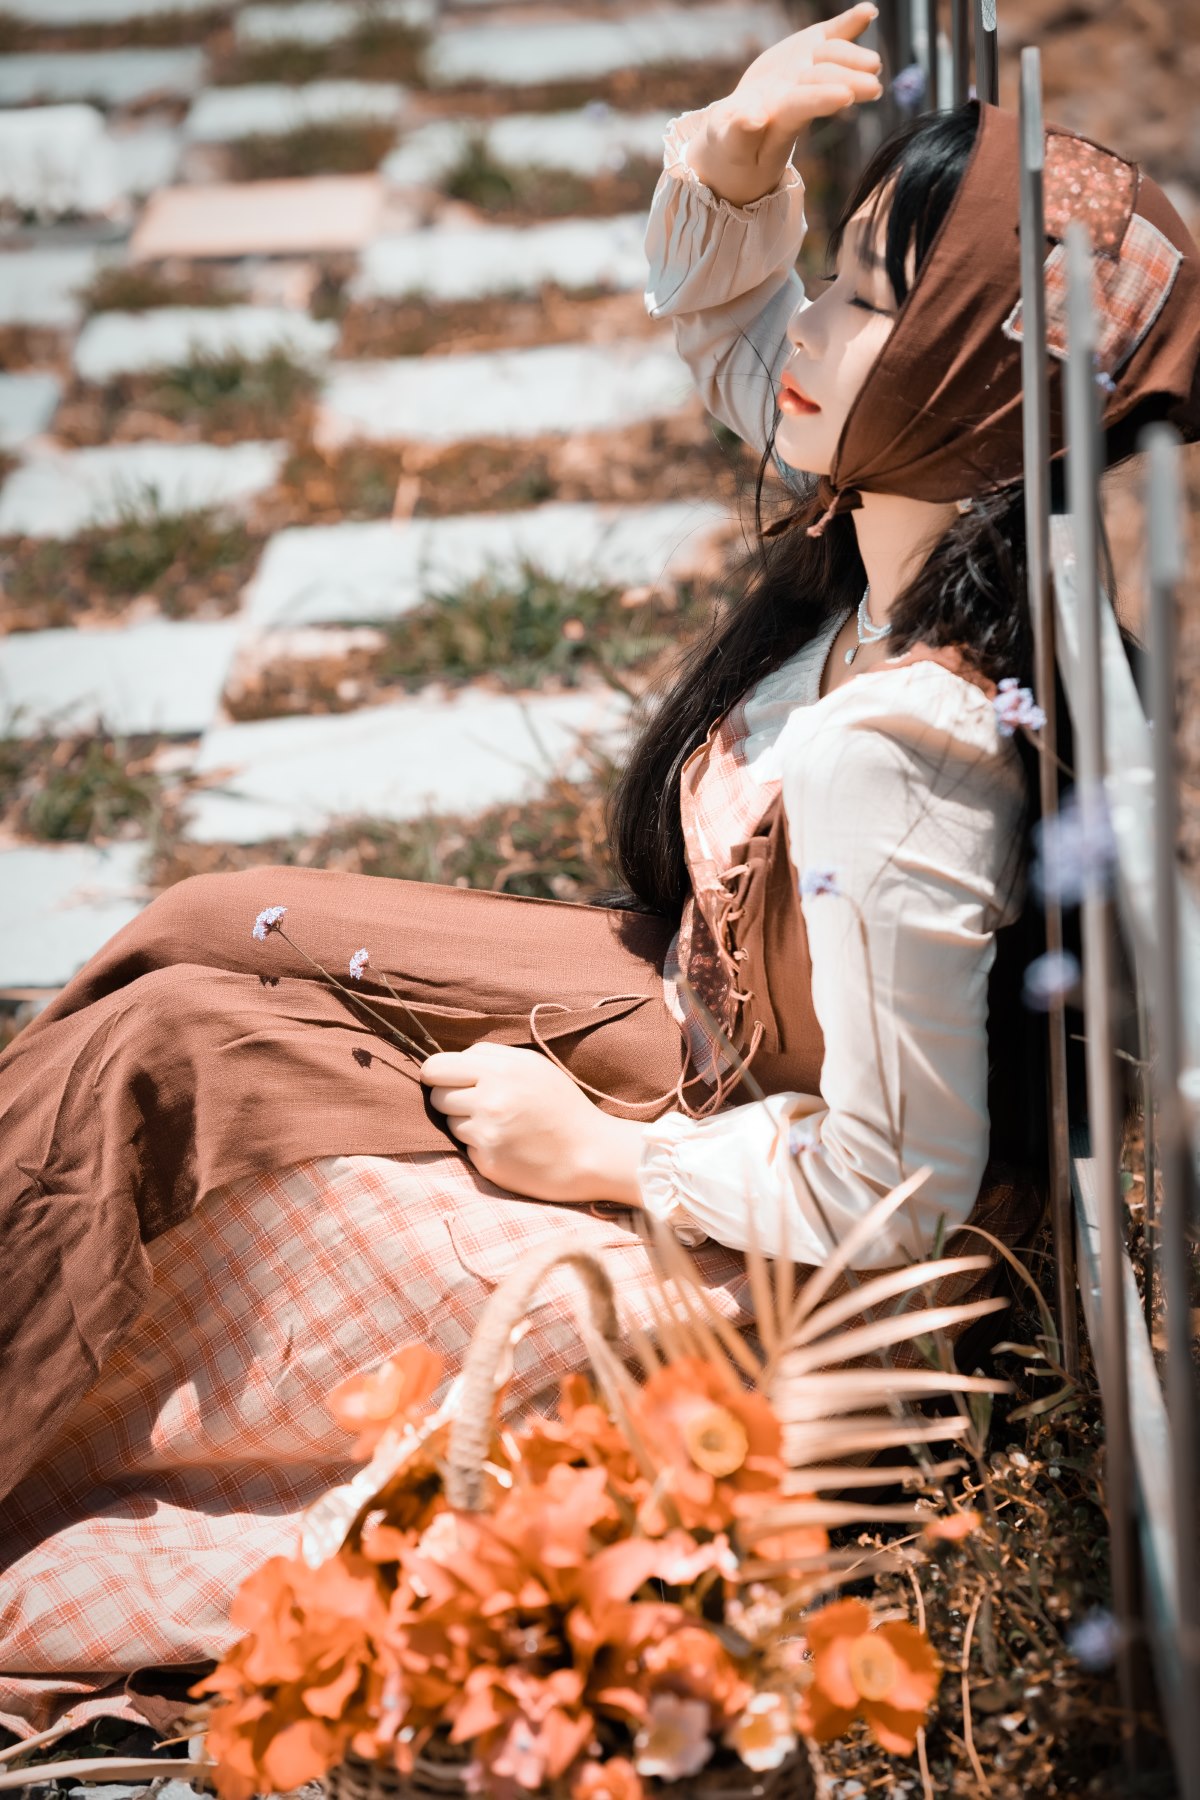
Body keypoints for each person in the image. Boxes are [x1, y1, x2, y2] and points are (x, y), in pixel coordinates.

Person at [2, 0, 1198, 1734]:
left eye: (873, 301)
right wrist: (733, 156)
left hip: (787, 1262)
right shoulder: (901, 520)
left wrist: (604, 1155)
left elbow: (907, 1187)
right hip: (716, 1041)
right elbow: (740, 336)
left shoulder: (903, 748)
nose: (812, 325)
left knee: (182, 1063)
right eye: (840, 277)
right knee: (199, 940)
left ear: (966, 379)